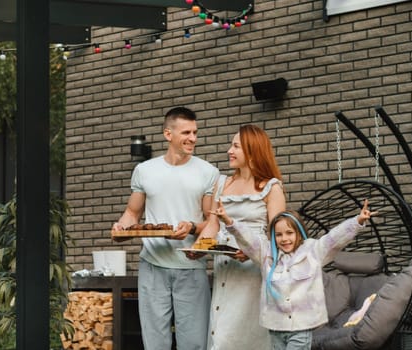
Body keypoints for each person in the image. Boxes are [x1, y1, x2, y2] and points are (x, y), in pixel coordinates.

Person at [112, 106, 220, 350]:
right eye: (186, 132)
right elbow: (132, 213)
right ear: (168, 134)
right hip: (152, 267)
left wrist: (192, 227)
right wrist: (121, 228)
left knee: (193, 344)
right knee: (154, 343)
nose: (193, 138)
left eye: (195, 132)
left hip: (191, 267)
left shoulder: (208, 172)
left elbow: (211, 221)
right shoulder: (144, 170)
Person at [211, 199, 377, 350]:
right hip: (275, 328)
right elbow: (248, 239)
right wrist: (228, 221)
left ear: (298, 233)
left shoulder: (313, 251)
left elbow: (335, 238)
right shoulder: (266, 255)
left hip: (301, 328)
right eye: (279, 234)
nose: (284, 239)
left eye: (289, 233)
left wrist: (358, 221)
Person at [188, 124, 286, 350]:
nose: (229, 151)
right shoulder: (222, 183)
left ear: (252, 151)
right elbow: (213, 224)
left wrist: (252, 252)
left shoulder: (272, 188)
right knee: (220, 333)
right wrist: (199, 247)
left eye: (235, 146)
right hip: (225, 270)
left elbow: (277, 238)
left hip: (254, 274)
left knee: (245, 335)